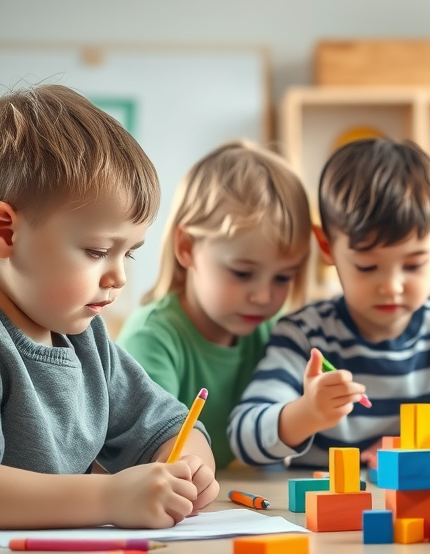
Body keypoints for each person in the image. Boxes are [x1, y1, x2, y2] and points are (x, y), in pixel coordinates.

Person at [0, 85, 218, 528]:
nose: (119, 278)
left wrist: (188, 467)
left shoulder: (88, 341)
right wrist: (109, 498)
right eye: (98, 251)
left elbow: (170, 427)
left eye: (129, 253)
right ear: (6, 231)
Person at [229, 138, 430, 468]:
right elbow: (243, 436)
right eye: (366, 266)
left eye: (414, 265)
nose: (392, 287)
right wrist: (307, 413)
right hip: (326, 500)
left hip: (423, 497)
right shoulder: (304, 335)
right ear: (327, 246)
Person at [118, 140, 311, 468]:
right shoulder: (152, 338)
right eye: (243, 273)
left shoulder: (274, 333)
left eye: (283, 277)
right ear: (187, 247)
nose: (263, 297)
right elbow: (144, 458)